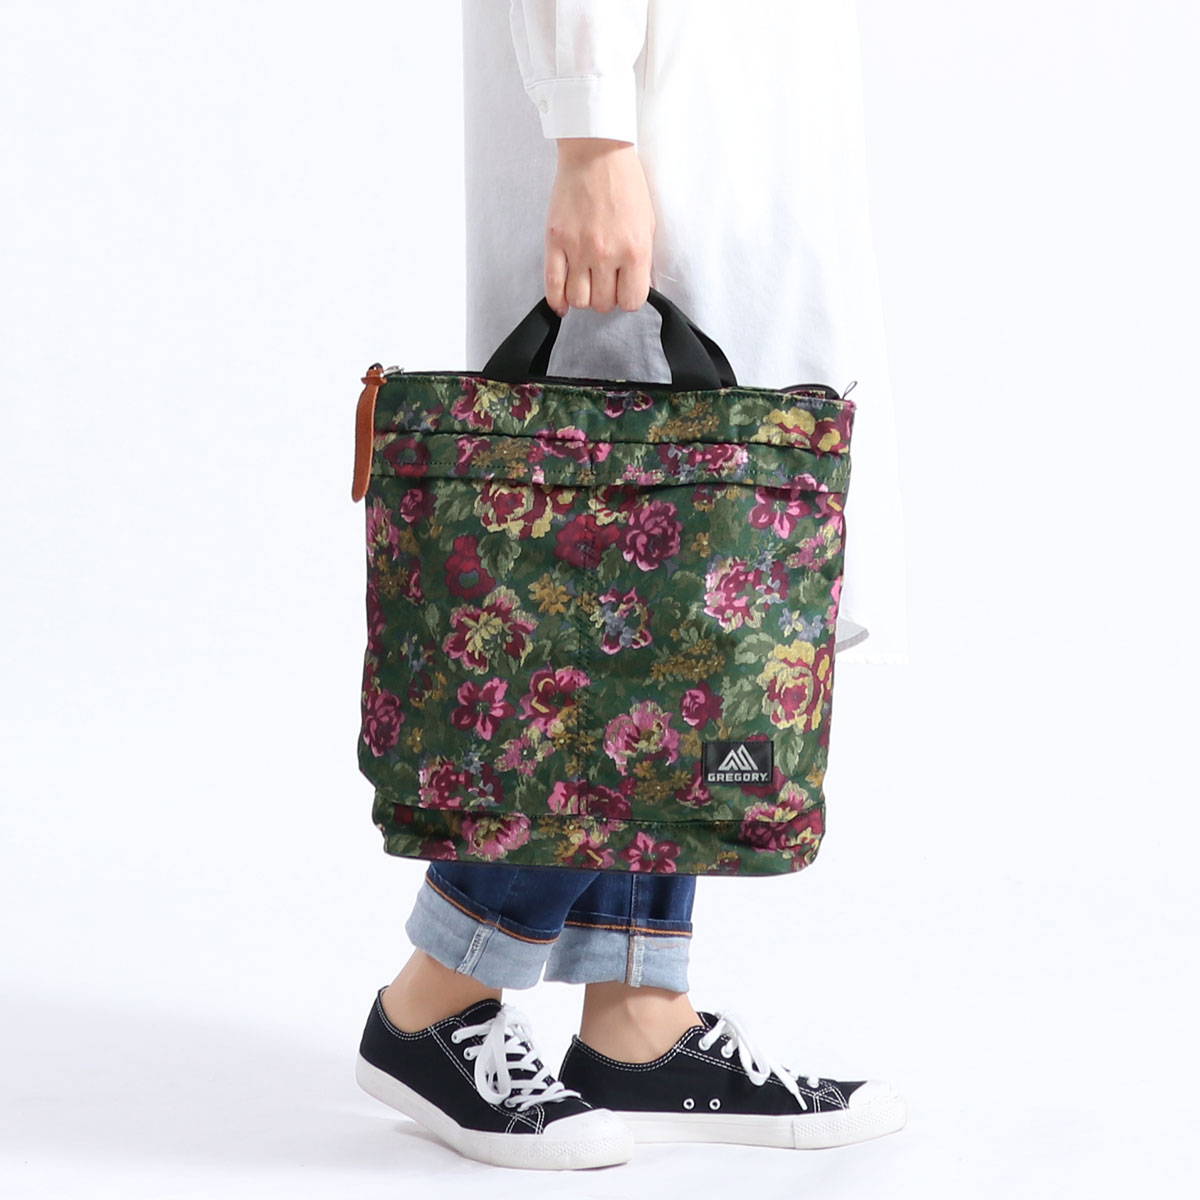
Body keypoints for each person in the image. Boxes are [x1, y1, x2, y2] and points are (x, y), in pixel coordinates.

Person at [354, 0, 910, 1170]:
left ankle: (637, 1018)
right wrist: (592, 130)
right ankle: (435, 999)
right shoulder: (606, 134)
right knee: (609, 589)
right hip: (652, 144)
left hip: (737, 150)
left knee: (691, 612)